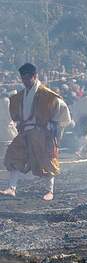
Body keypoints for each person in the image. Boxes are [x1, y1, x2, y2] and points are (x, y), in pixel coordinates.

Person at [1, 63, 72, 201]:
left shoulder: (47, 95)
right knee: (13, 155)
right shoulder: (20, 95)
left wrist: (54, 130)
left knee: (47, 161)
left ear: (34, 76)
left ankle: (49, 191)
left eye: (28, 78)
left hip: (42, 133)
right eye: (23, 79)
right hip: (25, 132)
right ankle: (12, 188)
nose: (25, 81)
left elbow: (62, 112)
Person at [0, 90, 18, 162]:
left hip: (3, 126)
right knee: (11, 143)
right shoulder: (6, 101)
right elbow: (9, 116)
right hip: (8, 127)